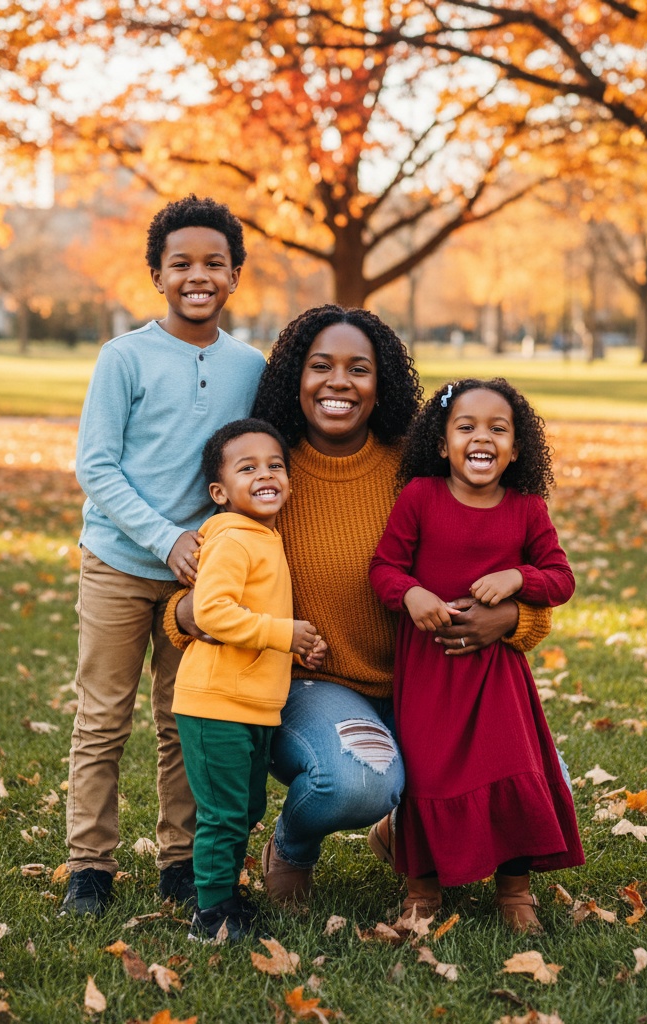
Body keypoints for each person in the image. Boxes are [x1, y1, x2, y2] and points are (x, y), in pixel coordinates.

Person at [165, 306, 553, 908]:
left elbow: (517, 571)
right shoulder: (265, 471)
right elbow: (199, 594)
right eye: (320, 366)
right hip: (312, 686)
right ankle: (292, 846)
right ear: (295, 377)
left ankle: (399, 831)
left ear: (384, 382)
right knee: (359, 780)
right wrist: (188, 617)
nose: (338, 382)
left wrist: (516, 620)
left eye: (359, 369)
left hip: (433, 684)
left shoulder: (422, 468)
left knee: (544, 777)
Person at [61, 195, 266, 918]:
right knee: (103, 717)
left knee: (187, 719)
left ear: (236, 275)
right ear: (157, 274)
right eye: (181, 263)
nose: (198, 275)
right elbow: (97, 466)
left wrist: (212, 547)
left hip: (205, 579)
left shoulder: (251, 366)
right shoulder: (125, 357)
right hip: (120, 561)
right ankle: (89, 866)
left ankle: (181, 860)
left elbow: (253, 465)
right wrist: (166, 538)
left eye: (214, 263)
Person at [369, 378, 584, 932]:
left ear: (516, 448)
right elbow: (384, 569)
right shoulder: (420, 496)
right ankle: (422, 891)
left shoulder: (526, 509)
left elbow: (561, 578)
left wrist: (519, 576)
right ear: (442, 444)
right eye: (465, 427)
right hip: (430, 668)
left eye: (498, 428)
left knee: (511, 769)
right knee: (428, 774)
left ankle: (515, 894)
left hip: (496, 674)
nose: (481, 438)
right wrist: (410, 593)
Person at [172, 418, 327, 942]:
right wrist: (285, 633)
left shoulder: (265, 537)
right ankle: (211, 913)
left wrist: (301, 644)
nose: (266, 475)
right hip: (216, 702)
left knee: (246, 808)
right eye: (248, 468)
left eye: (275, 465)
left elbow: (263, 616)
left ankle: (224, 894)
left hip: (253, 704)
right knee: (223, 815)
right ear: (219, 492)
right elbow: (211, 612)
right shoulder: (234, 540)